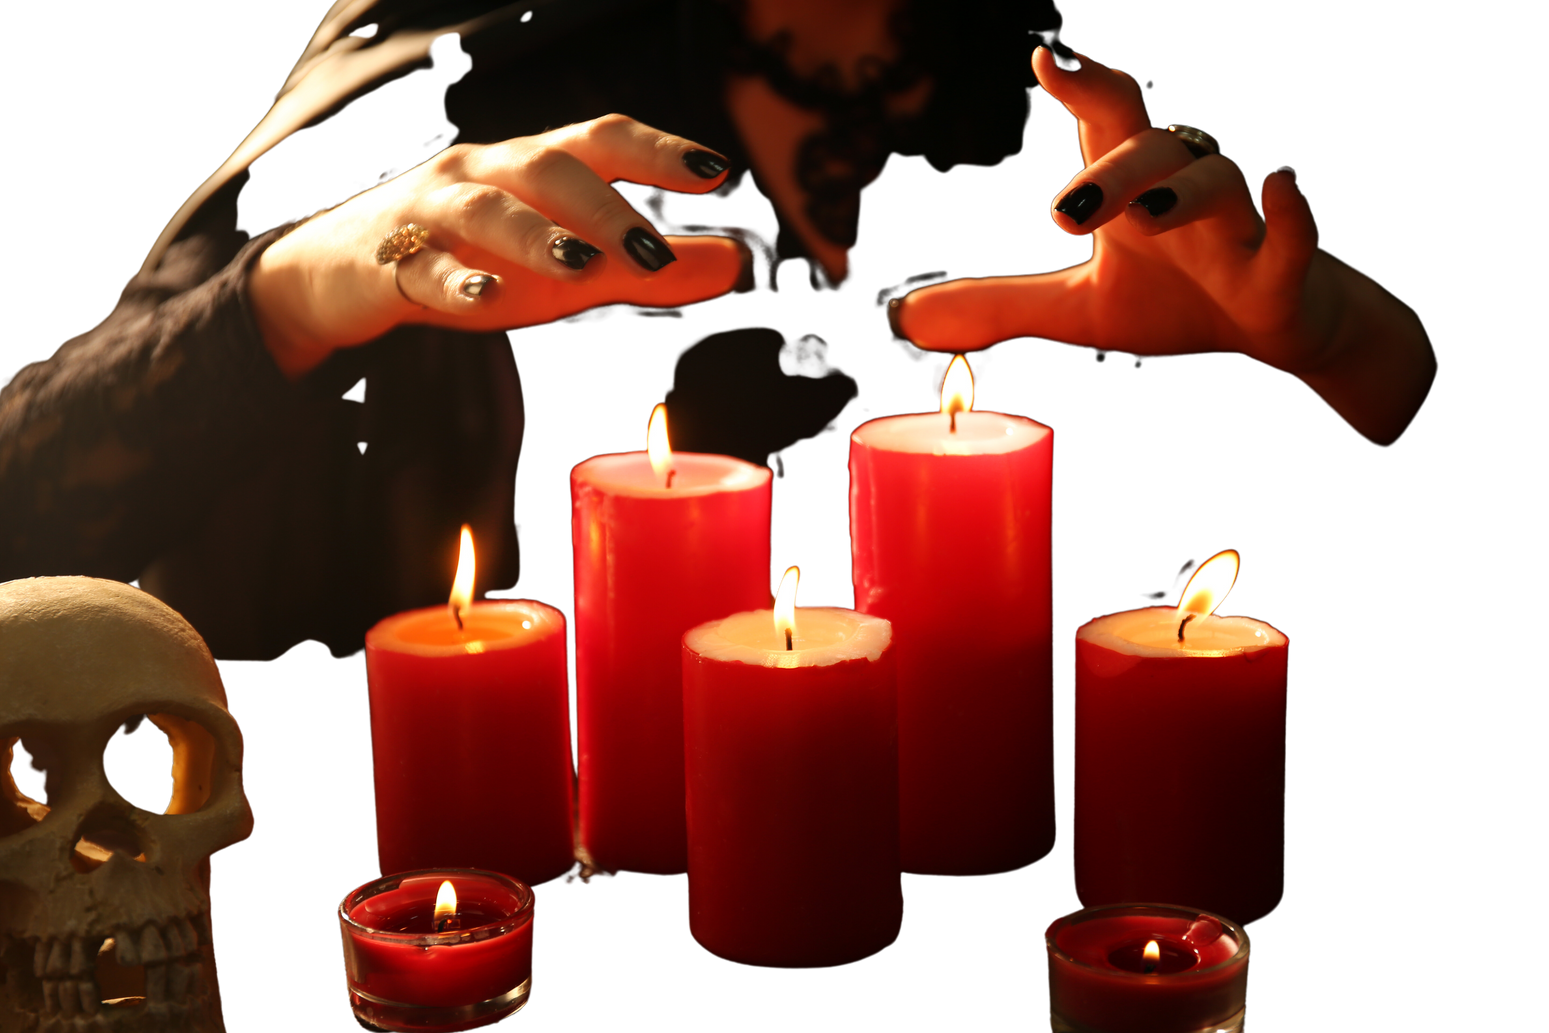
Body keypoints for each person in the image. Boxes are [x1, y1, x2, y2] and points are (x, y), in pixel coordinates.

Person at [0, 0, 1437, 664]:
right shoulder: (446, 61)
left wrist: (1341, 350)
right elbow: (24, 513)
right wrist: (291, 295)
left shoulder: (1123, 80)